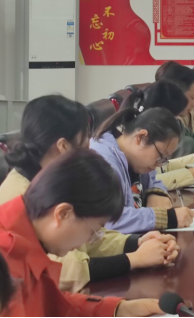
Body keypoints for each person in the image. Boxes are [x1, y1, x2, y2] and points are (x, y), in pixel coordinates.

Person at [0, 95, 178, 293]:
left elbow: (89, 236)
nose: (90, 153)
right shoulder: (18, 197)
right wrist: (133, 259)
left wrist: (136, 243)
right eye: (85, 147)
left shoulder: (56, 180)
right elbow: (60, 272)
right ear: (63, 147)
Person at [0, 149, 163, 317]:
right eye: (92, 231)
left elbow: (52, 304)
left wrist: (120, 309)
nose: (89, 241)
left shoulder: (26, 238)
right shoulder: (6, 258)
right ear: (63, 213)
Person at [91, 107, 194, 234]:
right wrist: (167, 218)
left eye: (164, 159)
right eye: (161, 156)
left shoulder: (137, 159)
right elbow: (108, 220)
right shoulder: (102, 162)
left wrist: (155, 192)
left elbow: (154, 180)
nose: (158, 165)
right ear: (140, 137)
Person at [124, 81, 194, 190]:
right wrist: (190, 174)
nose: (193, 104)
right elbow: (148, 183)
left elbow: (162, 169)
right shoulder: (120, 163)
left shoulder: (140, 150)